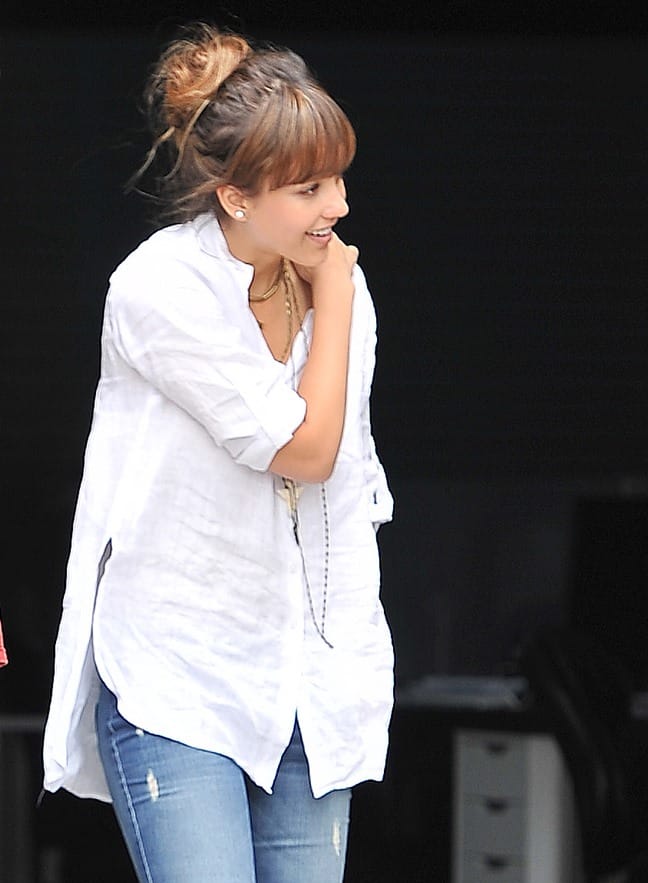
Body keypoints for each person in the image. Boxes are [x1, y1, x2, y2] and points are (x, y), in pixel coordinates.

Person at [42, 23, 394, 883]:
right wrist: (338, 295)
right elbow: (304, 453)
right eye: (309, 186)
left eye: (338, 177)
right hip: (180, 673)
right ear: (236, 197)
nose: (337, 206)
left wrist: (337, 298)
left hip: (312, 674)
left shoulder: (336, 292)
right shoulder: (161, 289)